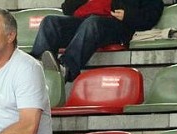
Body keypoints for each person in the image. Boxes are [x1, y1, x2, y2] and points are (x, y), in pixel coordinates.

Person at [31, 0, 164, 83]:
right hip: (82, 23)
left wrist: (128, 15)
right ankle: (35, 66)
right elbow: (67, 8)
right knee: (50, 22)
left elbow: (153, 13)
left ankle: (66, 67)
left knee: (92, 23)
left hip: (116, 24)